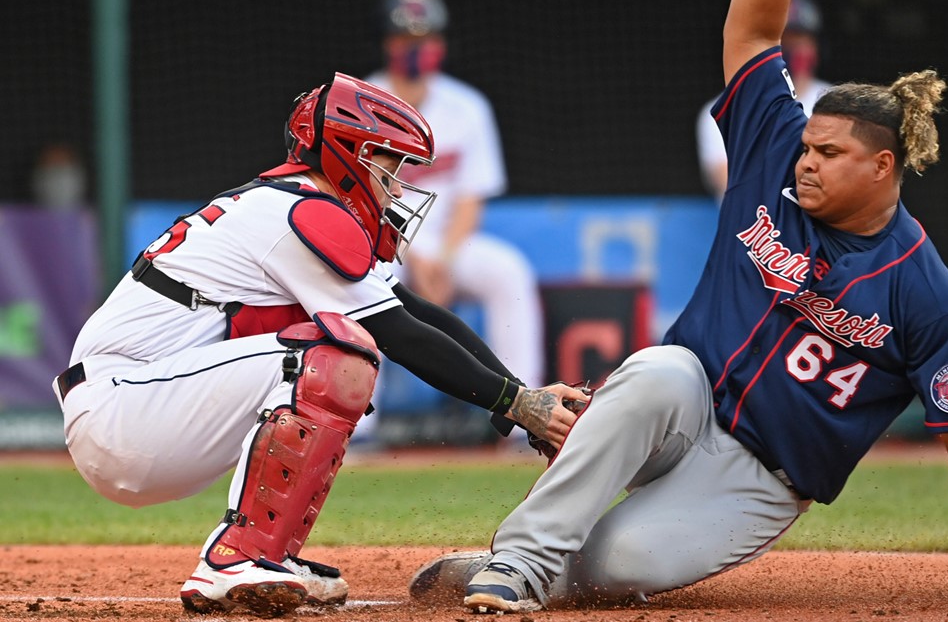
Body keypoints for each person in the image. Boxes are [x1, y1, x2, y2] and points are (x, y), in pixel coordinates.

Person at [411, 0, 948, 614]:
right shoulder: (771, 148)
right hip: (685, 400)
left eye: (829, 152)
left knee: (622, 564)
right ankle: (522, 559)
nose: (806, 160)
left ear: (881, 167)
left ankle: (547, 573)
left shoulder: (927, 293)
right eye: (808, 144)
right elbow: (753, 28)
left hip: (760, 478)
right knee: (654, 372)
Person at [51, 72, 586, 618]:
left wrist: (522, 398)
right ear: (346, 156)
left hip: (152, 404)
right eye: (389, 165)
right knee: (334, 358)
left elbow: (418, 314)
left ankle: (268, 555)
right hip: (124, 408)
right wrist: (518, 406)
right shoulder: (294, 212)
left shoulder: (293, 204)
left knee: (336, 352)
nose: (397, 186)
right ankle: (236, 557)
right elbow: (399, 335)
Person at [360, 0, 545, 430]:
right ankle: (359, 427)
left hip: (450, 245)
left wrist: (442, 258)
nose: (417, 50)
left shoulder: (467, 106)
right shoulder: (362, 101)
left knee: (508, 271)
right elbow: (362, 195)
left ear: (439, 44)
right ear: (389, 43)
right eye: (408, 40)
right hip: (382, 245)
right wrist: (416, 258)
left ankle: (528, 417)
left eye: (426, 40)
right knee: (362, 288)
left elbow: (470, 197)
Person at [696, 0, 831, 200]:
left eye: (798, 38)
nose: (791, 47)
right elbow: (732, 186)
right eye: (782, 39)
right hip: (752, 229)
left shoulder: (836, 102)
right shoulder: (722, 109)